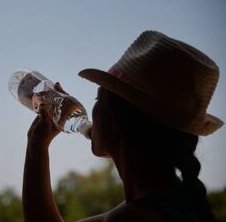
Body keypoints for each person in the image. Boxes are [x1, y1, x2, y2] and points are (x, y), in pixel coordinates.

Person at [22, 31, 223, 222]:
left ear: (116, 121)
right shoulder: (174, 203)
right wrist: (37, 143)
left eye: (97, 98)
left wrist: (36, 145)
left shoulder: (132, 217)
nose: (90, 110)